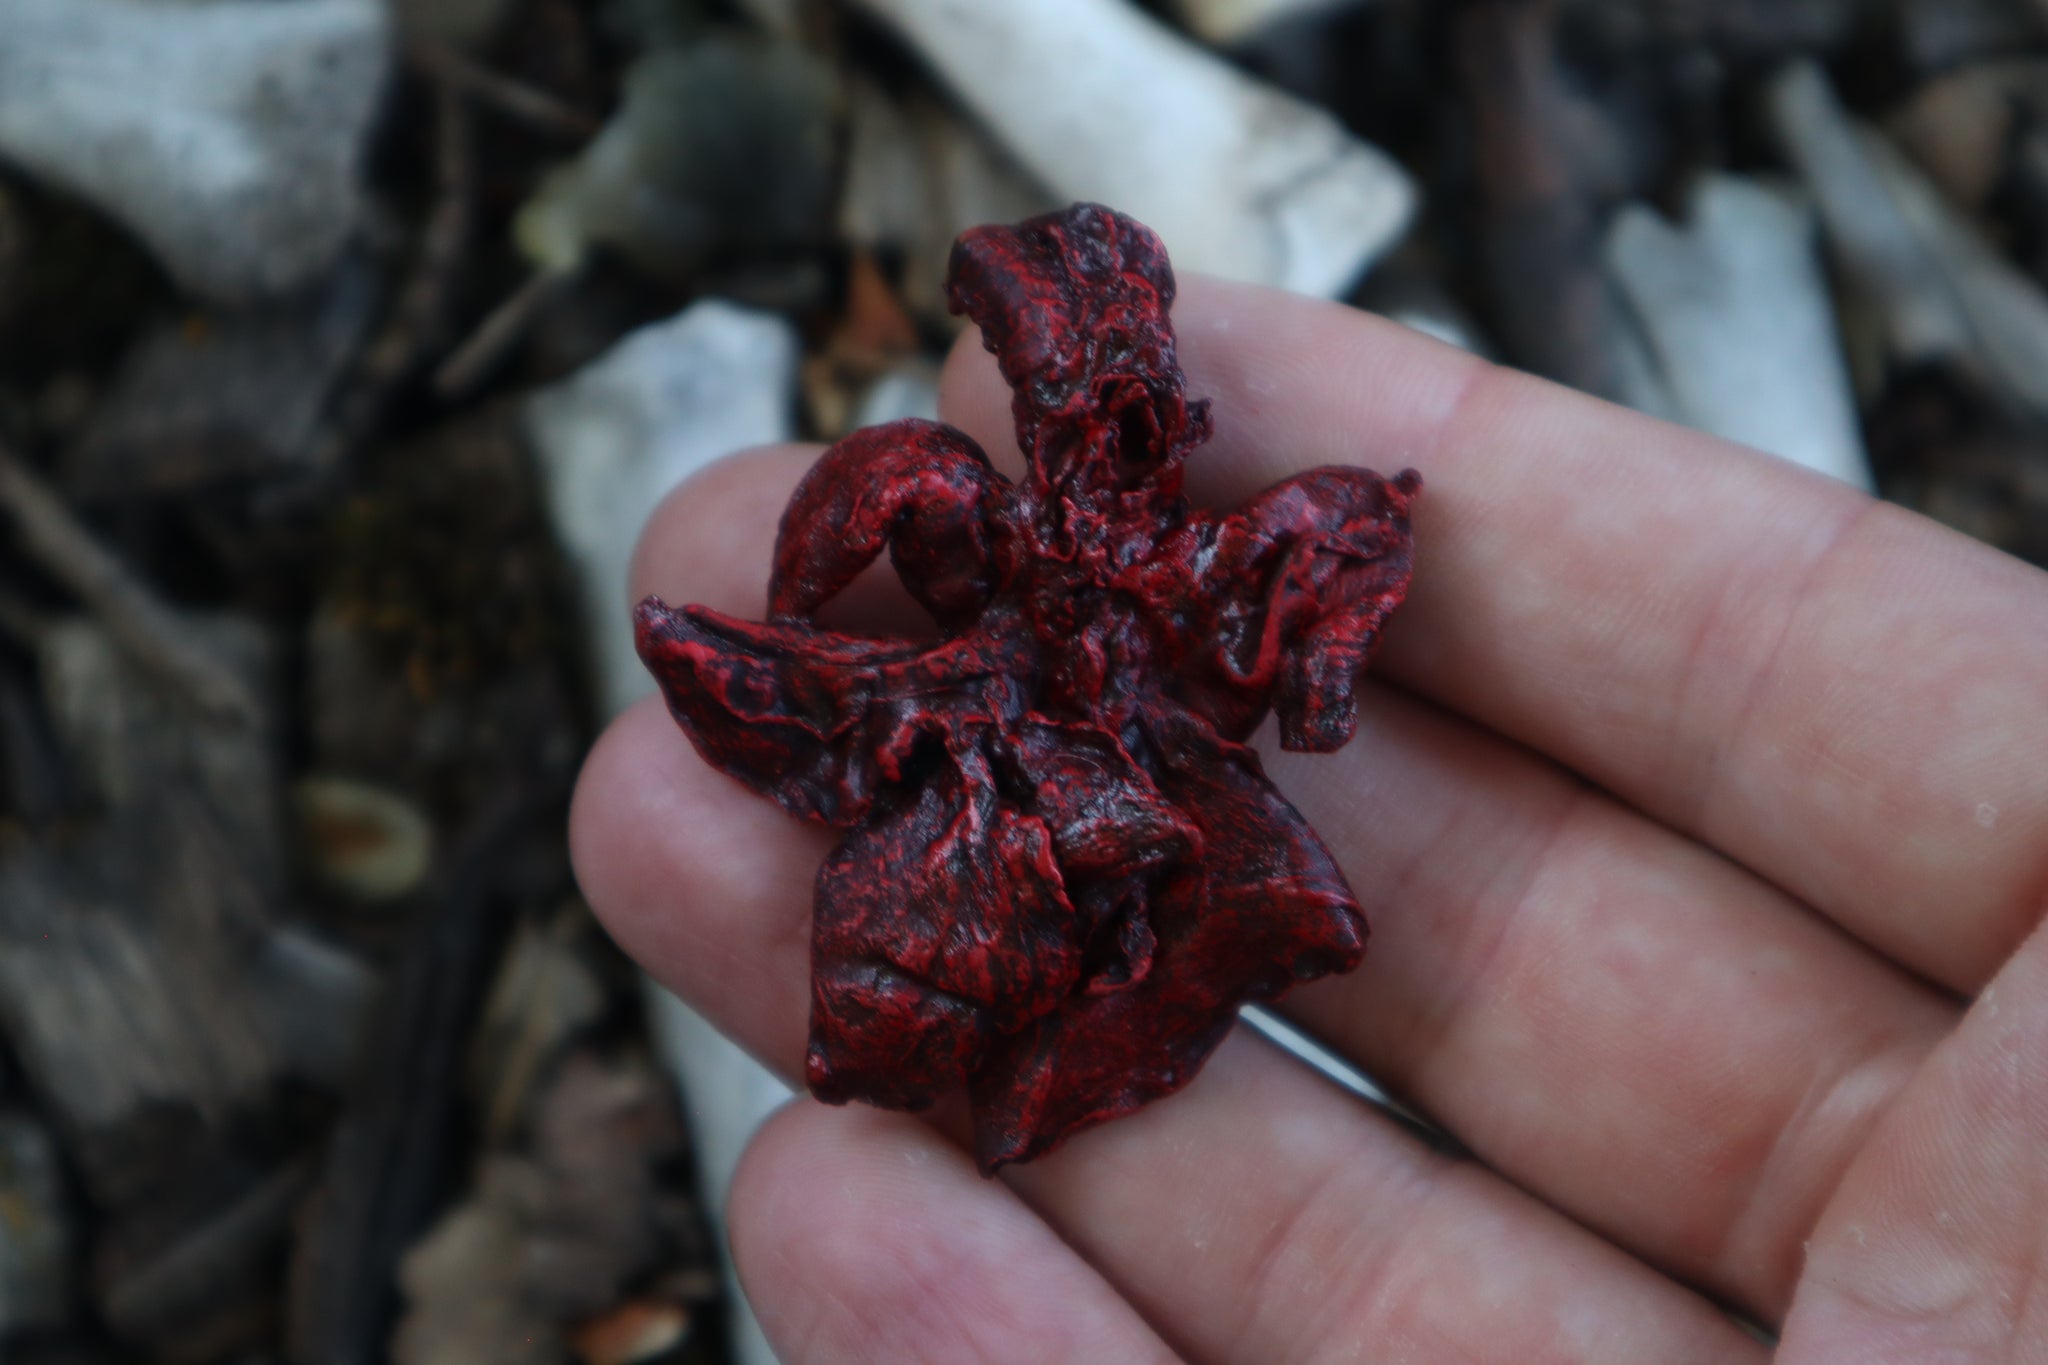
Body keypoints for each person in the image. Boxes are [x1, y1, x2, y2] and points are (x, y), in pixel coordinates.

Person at [571, 275, 2048, 1363]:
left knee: (1266, 895)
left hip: (1096, 834)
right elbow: (780, 652)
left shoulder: (1255, 572)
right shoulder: (968, 555)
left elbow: (1335, 564)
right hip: (996, 831)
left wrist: (1316, 676)